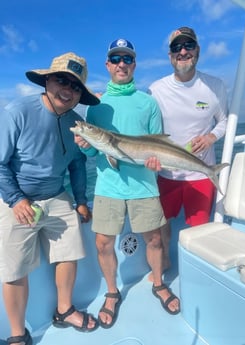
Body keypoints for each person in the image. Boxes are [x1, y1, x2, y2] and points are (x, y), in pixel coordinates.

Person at [74, 38, 180, 329]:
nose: (122, 64)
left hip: (144, 186)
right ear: (107, 65)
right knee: (103, 243)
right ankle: (112, 292)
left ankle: (159, 284)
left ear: (134, 64)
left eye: (128, 59)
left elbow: (157, 143)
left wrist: (157, 163)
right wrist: (85, 145)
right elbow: (95, 150)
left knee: (155, 239)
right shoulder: (95, 105)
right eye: (116, 59)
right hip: (108, 188)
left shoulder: (148, 102)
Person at [0, 52, 100, 345]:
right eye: (61, 80)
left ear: (80, 94)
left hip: (56, 195)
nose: (67, 90)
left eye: (75, 86)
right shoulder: (17, 111)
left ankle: (64, 310)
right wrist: (17, 199)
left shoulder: (75, 122)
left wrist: (80, 199)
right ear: (46, 81)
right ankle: (18, 334)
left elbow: (77, 164)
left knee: (71, 251)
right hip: (16, 198)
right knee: (14, 269)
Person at [147, 27, 228, 275]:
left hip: (201, 175)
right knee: (162, 225)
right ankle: (167, 261)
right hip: (166, 174)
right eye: (176, 48)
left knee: (199, 230)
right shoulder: (155, 89)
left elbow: (224, 121)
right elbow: (146, 126)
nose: (183, 51)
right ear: (170, 55)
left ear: (197, 51)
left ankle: (195, 272)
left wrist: (212, 136)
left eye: (188, 46)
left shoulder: (215, 86)